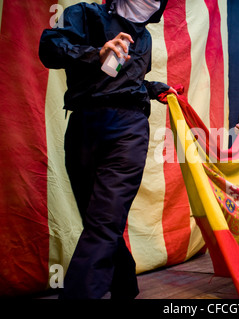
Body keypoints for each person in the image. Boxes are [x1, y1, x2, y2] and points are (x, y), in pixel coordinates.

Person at [39, 0, 175, 299]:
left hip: (128, 129)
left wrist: (154, 88)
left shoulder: (145, 38)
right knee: (97, 219)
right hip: (84, 124)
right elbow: (50, 48)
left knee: (103, 221)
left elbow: (127, 79)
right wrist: (95, 51)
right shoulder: (82, 14)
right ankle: (125, 286)